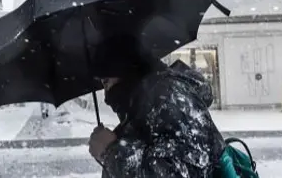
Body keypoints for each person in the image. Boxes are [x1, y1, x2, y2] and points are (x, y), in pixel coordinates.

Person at [87, 58, 225, 177]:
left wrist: (112, 151)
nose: (106, 95)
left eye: (106, 82)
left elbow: (181, 172)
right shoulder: (145, 106)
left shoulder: (167, 98)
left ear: (124, 71)